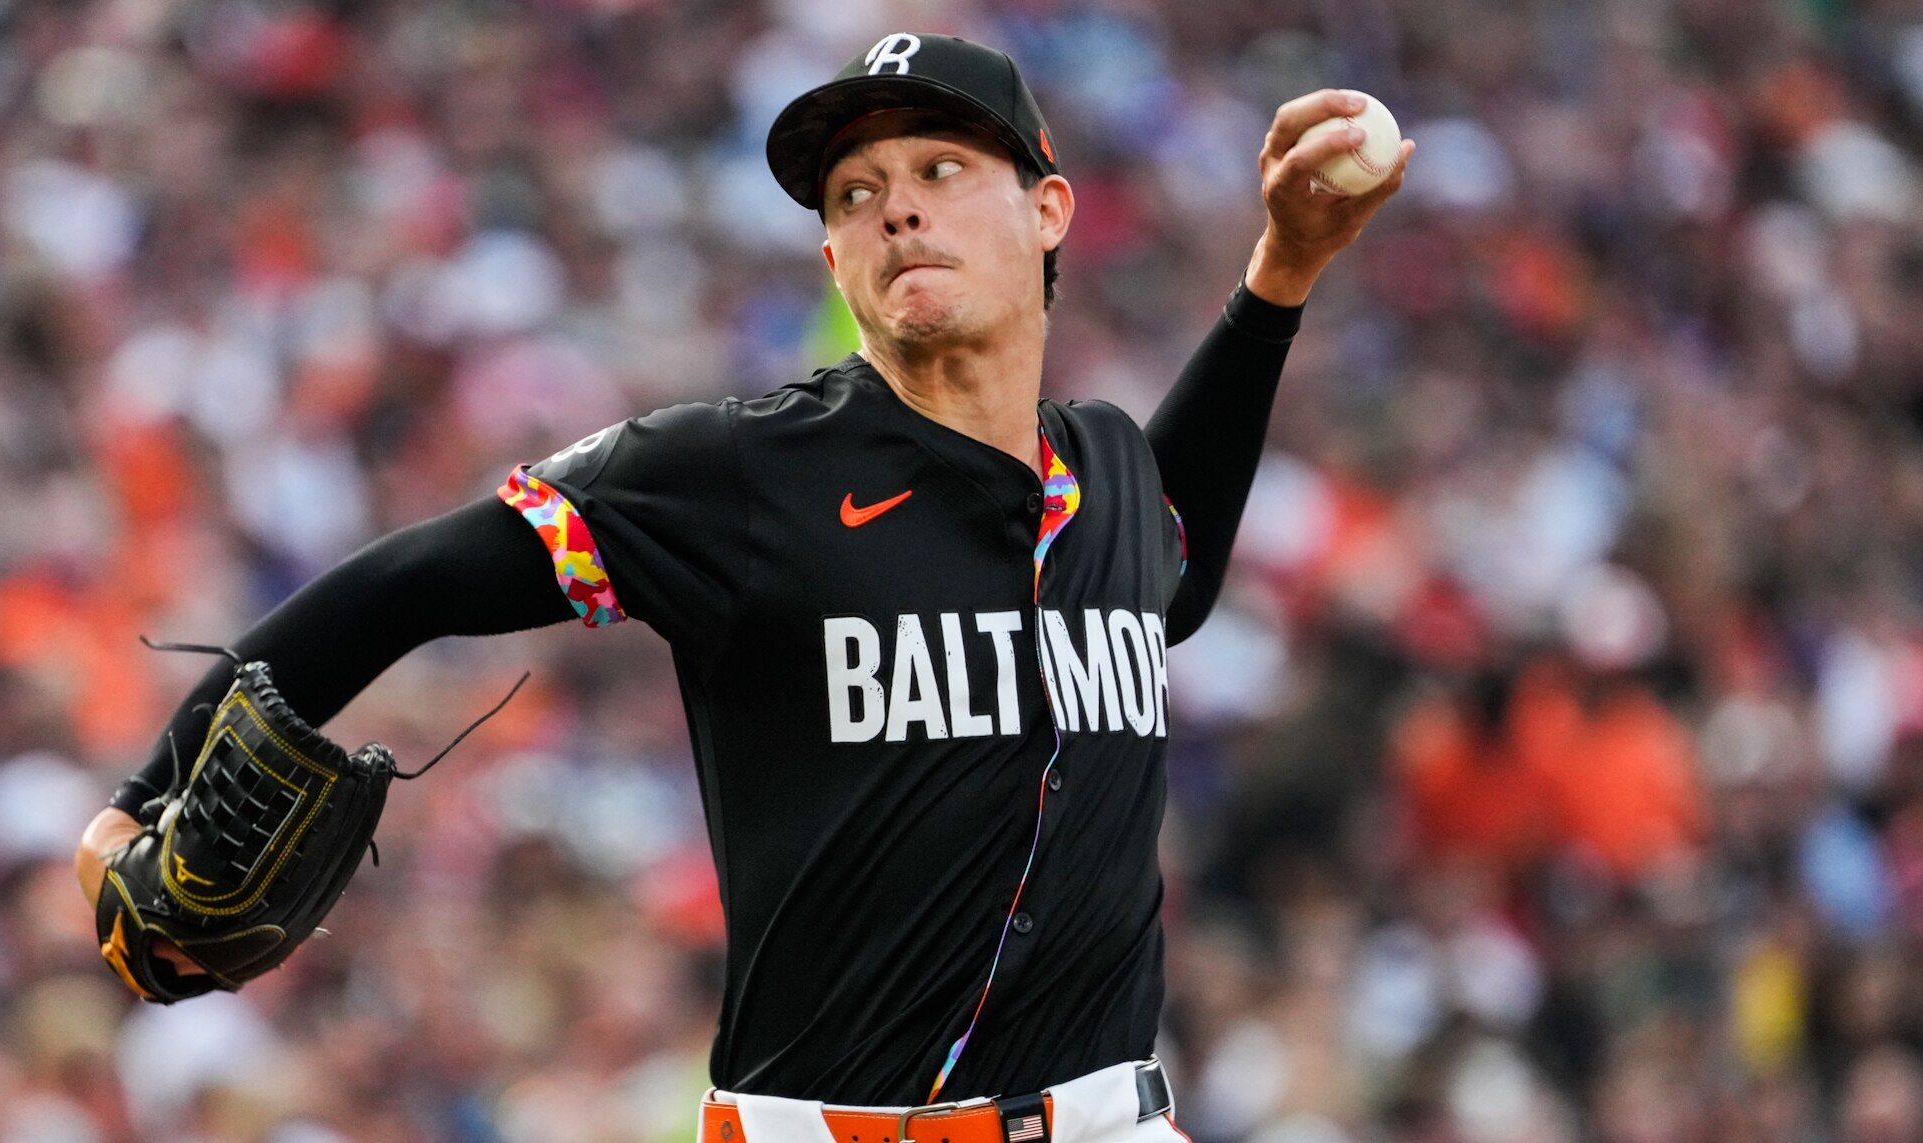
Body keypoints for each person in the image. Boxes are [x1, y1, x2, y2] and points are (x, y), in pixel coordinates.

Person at [75, 32, 1410, 1142]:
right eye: (852, 194)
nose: (893, 206)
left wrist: (1281, 272)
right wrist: (138, 805)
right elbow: (399, 586)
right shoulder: (739, 474)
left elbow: (1170, 570)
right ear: (835, 262)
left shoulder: (1110, 475)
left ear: (1047, 210)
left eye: (941, 168)